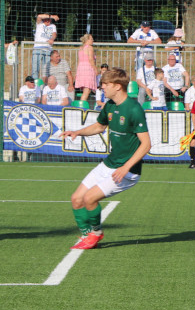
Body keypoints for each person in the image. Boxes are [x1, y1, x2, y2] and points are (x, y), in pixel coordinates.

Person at [61, 68, 151, 250]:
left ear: (118, 86)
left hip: (127, 171)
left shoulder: (134, 109)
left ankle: (96, 232)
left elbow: (146, 144)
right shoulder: (110, 105)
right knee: (76, 199)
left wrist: (126, 167)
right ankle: (86, 234)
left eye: (105, 84)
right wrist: (77, 132)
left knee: (90, 199)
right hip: (108, 163)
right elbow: (100, 126)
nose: (102, 87)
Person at [32, 13, 58, 79]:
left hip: (47, 50)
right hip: (38, 49)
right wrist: (52, 16)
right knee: (35, 70)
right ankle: (37, 86)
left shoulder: (53, 26)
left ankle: (44, 86)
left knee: (46, 71)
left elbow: (54, 34)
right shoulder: (39, 24)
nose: (47, 21)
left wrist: (52, 39)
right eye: (46, 19)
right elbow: (39, 16)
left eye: (49, 19)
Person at [75, 33, 97, 102]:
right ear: (87, 40)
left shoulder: (81, 48)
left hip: (81, 69)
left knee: (86, 90)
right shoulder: (90, 48)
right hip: (88, 69)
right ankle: (81, 106)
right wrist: (95, 69)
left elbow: (79, 60)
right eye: (91, 39)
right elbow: (91, 59)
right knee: (87, 90)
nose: (92, 40)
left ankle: (82, 103)